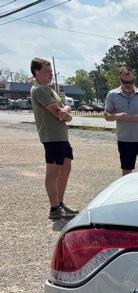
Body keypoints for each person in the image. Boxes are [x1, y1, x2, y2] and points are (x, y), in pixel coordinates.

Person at [30, 57, 79, 220]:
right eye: (47, 71)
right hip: (52, 138)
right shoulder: (39, 90)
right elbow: (58, 113)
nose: (51, 74)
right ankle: (54, 208)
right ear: (37, 72)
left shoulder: (49, 89)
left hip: (61, 137)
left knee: (65, 169)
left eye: (51, 71)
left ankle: (60, 203)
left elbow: (65, 111)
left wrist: (66, 111)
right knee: (53, 173)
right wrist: (65, 112)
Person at [104, 67, 138, 175]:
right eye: (125, 82)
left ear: (134, 80)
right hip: (125, 141)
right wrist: (117, 116)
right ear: (119, 79)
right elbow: (106, 116)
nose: (128, 84)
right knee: (127, 171)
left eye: (131, 82)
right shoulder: (112, 94)